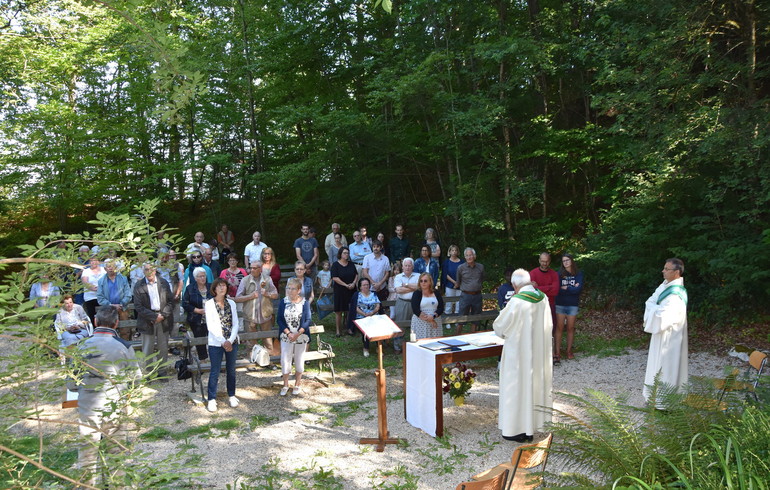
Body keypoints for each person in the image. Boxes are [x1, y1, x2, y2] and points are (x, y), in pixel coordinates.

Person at [69, 306, 141, 481]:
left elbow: (71, 384)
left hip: (88, 406)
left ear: (95, 322)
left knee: (87, 453)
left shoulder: (80, 347)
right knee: (116, 452)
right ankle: (118, 484)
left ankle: (87, 485)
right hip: (114, 405)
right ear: (116, 323)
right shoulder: (123, 346)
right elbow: (136, 379)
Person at [493, 269, 553, 443]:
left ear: (514, 285)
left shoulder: (516, 301)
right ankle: (531, 427)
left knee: (516, 388)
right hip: (537, 353)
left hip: (518, 355)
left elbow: (500, 326)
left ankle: (515, 429)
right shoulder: (543, 299)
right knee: (534, 386)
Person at [643, 258, 688, 404]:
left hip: (670, 337)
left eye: (667, 269)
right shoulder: (665, 285)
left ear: (676, 272)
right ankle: (653, 398)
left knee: (666, 368)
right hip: (660, 335)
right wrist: (654, 308)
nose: (663, 271)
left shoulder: (676, 294)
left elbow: (663, 316)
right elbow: (649, 301)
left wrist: (653, 308)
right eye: (664, 268)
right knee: (656, 367)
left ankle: (665, 402)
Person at [204, 278, 240, 412]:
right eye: (219, 286)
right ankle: (211, 399)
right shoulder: (209, 304)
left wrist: (230, 341)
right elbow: (211, 326)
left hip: (231, 342)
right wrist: (222, 341)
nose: (222, 288)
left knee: (231, 370)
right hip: (216, 343)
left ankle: (232, 395)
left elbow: (235, 323)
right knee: (215, 371)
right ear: (214, 289)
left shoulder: (231, 303)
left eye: (224, 286)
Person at [132, 263, 174, 375]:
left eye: (151, 269)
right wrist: (154, 317)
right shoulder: (138, 285)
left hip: (163, 319)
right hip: (147, 320)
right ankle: (148, 373)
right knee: (147, 349)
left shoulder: (164, 283)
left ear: (155, 270)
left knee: (163, 348)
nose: (149, 272)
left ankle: (162, 372)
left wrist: (162, 315)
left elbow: (170, 302)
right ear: (143, 271)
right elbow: (138, 306)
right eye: (146, 269)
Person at [235, 260, 279, 359]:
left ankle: (269, 361)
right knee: (251, 342)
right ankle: (253, 361)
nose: (252, 270)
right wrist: (250, 296)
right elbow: (237, 298)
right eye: (251, 268)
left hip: (265, 315)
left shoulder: (267, 279)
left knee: (268, 341)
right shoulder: (245, 280)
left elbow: (276, 295)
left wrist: (267, 294)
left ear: (260, 269)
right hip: (250, 316)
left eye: (254, 268)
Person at [277, 277, 312, 396]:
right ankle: (286, 384)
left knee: (299, 359)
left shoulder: (305, 302)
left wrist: (298, 333)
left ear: (298, 290)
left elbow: (308, 320)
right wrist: (289, 333)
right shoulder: (283, 302)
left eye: (293, 288)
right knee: (285, 360)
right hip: (287, 335)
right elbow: (279, 320)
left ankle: (297, 383)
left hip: (300, 336)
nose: (290, 291)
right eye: (288, 288)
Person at [554, 253, 584, 363]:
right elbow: (558, 289)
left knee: (571, 328)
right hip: (560, 304)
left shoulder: (578, 274)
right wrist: (571, 287)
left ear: (571, 261)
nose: (566, 262)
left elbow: (578, 289)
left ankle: (569, 351)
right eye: (563, 261)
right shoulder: (559, 274)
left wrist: (566, 288)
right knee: (559, 328)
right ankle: (557, 352)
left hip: (572, 304)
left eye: (567, 260)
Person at [96, 259, 132, 339]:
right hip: (108, 310)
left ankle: (124, 347)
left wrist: (121, 304)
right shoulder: (101, 281)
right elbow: (100, 297)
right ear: (105, 269)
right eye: (108, 266)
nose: (110, 268)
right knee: (109, 331)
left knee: (125, 330)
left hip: (122, 308)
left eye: (112, 266)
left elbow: (128, 294)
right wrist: (110, 305)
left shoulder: (123, 278)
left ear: (116, 267)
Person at [182, 267, 211, 361]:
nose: (203, 278)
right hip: (196, 318)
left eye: (204, 276)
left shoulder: (211, 287)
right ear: (195, 278)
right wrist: (197, 310)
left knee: (213, 340)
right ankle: (203, 361)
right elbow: (185, 304)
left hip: (211, 318)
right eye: (200, 276)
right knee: (200, 341)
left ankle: (215, 362)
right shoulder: (190, 288)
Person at [455, 247, 485, 335]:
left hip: (477, 295)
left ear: (474, 256)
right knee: (461, 318)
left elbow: (482, 278)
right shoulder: (460, 268)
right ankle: (456, 337)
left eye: (470, 255)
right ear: (465, 257)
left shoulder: (481, 267)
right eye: (467, 255)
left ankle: (473, 336)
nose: (469, 257)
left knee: (476, 319)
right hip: (465, 296)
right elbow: (458, 281)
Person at [349, 277, 380, 357]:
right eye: (364, 285)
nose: (366, 286)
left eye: (367, 285)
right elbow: (355, 307)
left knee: (378, 328)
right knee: (365, 329)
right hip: (361, 317)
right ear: (360, 286)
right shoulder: (357, 295)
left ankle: (378, 347)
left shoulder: (374, 294)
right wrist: (364, 314)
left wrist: (372, 312)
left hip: (373, 316)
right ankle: (366, 348)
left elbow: (378, 305)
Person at [331, 247, 358, 337]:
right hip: (340, 290)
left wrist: (353, 283)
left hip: (351, 289)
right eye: (345, 253)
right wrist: (346, 285)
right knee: (339, 311)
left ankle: (349, 328)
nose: (346, 254)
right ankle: (338, 330)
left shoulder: (351, 264)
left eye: (347, 253)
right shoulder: (335, 265)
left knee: (350, 310)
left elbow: (356, 275)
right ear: (340, 254)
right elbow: (335, 278)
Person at [393, 258, 419, 351]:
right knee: (400, 325)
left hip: (416, 303)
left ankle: (416, 346)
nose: (407, 267)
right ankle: (398, 347)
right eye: (406, 265)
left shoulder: (418, 276)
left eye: (409, 265)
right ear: (402, 267)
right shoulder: (398, 277)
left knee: (416, 325)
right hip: (402, 303)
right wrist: (413, 287)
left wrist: (406, 285)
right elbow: (398, 290)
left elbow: (420, 287)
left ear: (412, 267)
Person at [411, 272, 445, 340]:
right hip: (421, 322)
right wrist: (431, 320)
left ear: (430, 282)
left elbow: (441, 307)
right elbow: (415, 309)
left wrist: (433, 316)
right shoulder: (416, 293)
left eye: (425, 281)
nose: (423, 283)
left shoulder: (436, 292)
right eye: (421, 281)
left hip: (436, 320)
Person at [530, 252, 559, 325]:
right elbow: (531, 291)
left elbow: (555, 291)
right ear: (539, 260)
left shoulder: (554, 274)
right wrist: (549, 287)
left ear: (549, 261)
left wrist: (537, 288)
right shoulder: (533, 273)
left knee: (551, 327)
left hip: (550, 305)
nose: (545, 264)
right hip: (536, 305)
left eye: (547, 261)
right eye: (543, 261)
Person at [362, 239, 391, 305]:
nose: (375, 248)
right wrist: (373, 283)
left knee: (381, 307)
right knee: (370, 306)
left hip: (382, 287)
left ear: (381, 247)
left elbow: (387, 273)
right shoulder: (367, 258)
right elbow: (365, 272)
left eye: (377, 247)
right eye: (374, 247)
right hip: (370, 287)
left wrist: (379, 284)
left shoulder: (385, 259)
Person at [81, 256, 106, 326]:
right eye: (91, 261)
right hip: (90, 297)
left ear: (98, 262)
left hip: (103, 296)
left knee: (104, 315)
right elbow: (85, 282)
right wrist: (92, 288)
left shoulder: (104, 270)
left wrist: (101, 288)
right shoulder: (86, 271)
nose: (93, 262)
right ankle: (95, 331)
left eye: (95, 260)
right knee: (92, 315)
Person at [441, 245, 464, 314]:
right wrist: (454, 282)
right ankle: (448, 322)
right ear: (449, 252)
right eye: (452, 250)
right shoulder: (446, 262)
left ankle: (458, 321)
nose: (454, 252)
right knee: (449, 302)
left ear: (458, 252)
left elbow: (464, 273)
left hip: (460, 284)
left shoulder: (462, 262)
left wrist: (458, 283)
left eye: (455, 250)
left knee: (459, 303)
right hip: (449, 284)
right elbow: (445, 274)